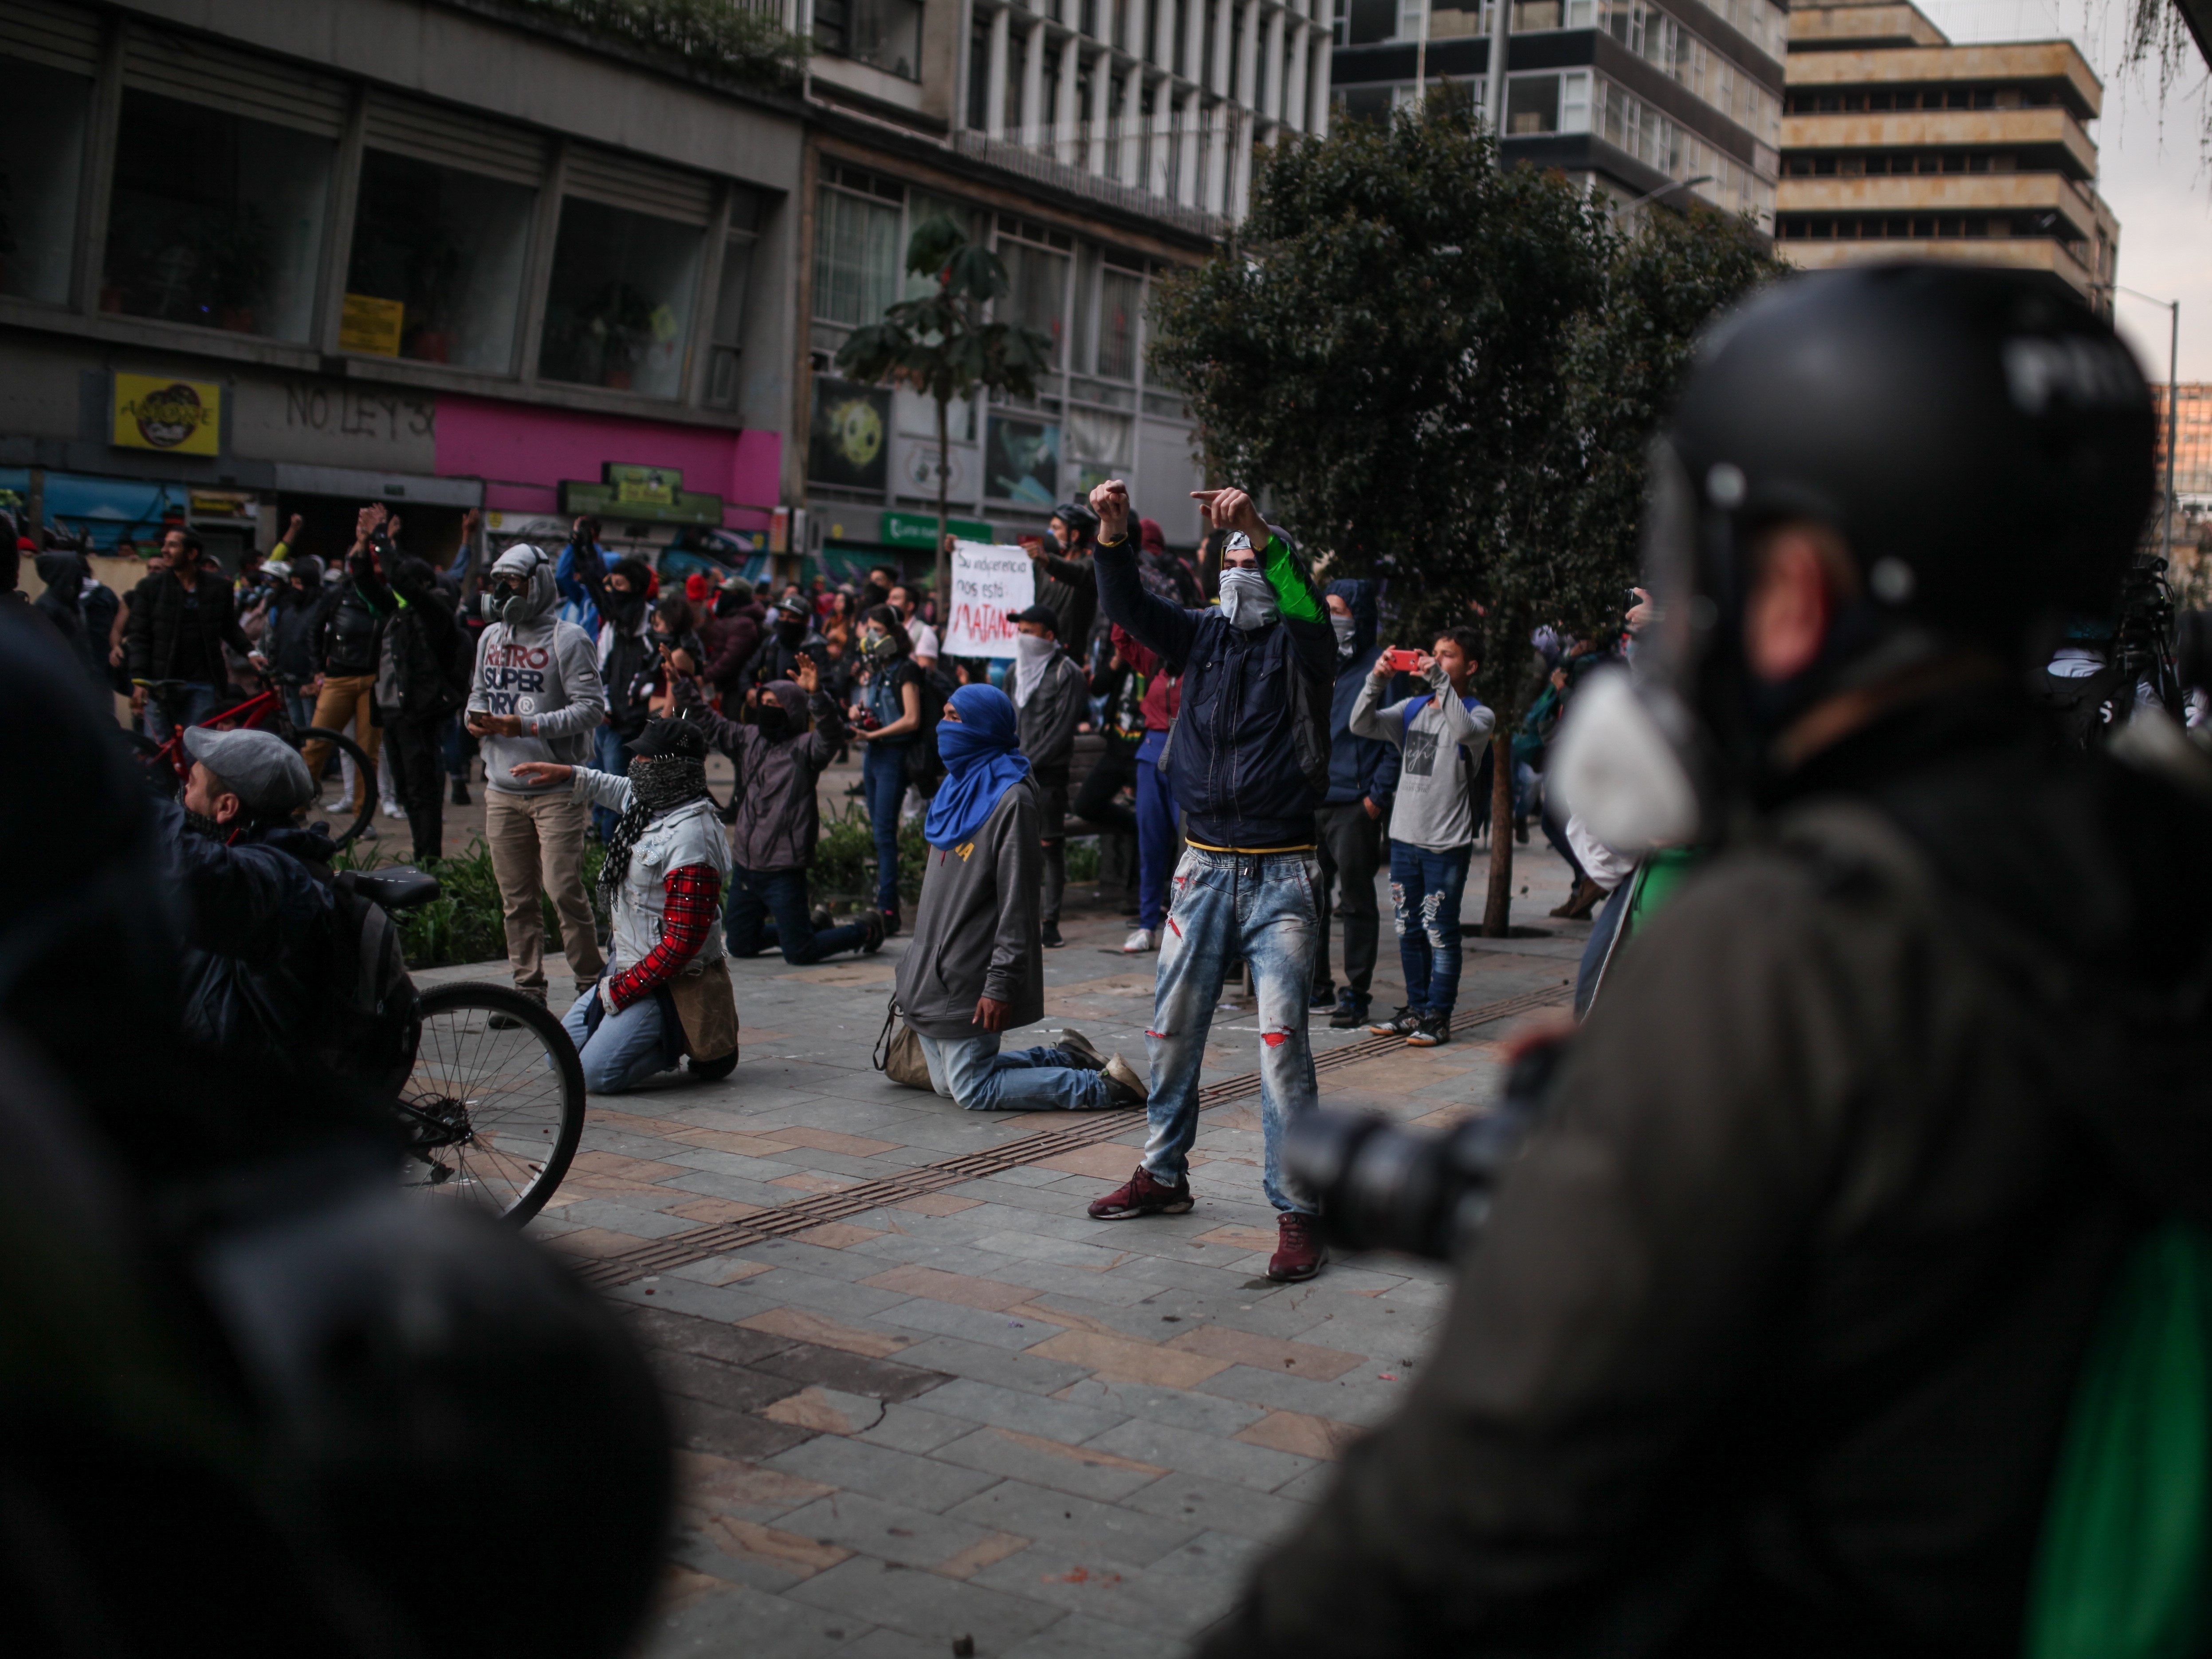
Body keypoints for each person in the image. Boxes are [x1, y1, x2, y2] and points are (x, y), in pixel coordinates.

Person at [1200, 265, 2212, 1656]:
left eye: (1700, 560)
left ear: (1794, 589)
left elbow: (1472, 1496)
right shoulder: (2155, 860)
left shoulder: (1791, 942)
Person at [1088, 480, 1336, 1282]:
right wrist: (1112, 533)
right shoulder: (1200, 636)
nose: (1237, 568)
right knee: (1170, 1030)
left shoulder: (1303, 642)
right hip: (1201, 869)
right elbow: (1126, 606)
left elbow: (1296, 588)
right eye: (1226, 556)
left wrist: (1262, 528)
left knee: (1279, 1049)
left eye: (1250, 558)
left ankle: (1299, 1211)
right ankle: (1163, 1174)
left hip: (1282, 875)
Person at [892, 684, 1147, 1111]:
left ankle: (1103, 1087)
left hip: (972, 968)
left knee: (972, 1091)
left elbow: (1019, 904)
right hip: (934, 970)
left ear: (984, 726)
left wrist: (1001, 984)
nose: (943, 727)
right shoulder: (955, 791)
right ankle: (1059, 1058)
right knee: (946, 1085)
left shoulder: (1012, 799)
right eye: (945, 715)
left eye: (955, 718)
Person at [510, 720, 740, 1093]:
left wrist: (620, 991)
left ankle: (683, 1038)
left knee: (591, 1076)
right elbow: (616, 787)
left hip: (668, 983)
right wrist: (567, 773)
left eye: (647, 756)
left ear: (673, 766)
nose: (637, 761)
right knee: (558, 1056)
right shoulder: (652, 800)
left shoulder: (692, 836)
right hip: (627, 964)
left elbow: (682, 943)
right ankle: (641, 1031)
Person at [672, 653, 886, 963]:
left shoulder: (806, 748)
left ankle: (864, 930)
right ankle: (810, 927)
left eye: (776, 705)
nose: (768, 711)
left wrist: (816, 695)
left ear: (793, 710)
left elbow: (832, 735)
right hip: (747, 863)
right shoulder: (749, 738)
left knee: (799, 954)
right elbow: (708, 720)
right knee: (740, 945)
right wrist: (680, 685)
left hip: (784, 867)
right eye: (764, 703)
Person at [468, 543, 608, 1012]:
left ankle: (591, 983)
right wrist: (475, 719)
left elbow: (592, 709)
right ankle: (527, 990)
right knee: (516, 898)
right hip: (502, 788)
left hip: (557, 789)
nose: (505, 590)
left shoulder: (568, 639)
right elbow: (479, 693)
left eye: (516, 581)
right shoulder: (489, 637)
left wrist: (525, 726)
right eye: (499, 581)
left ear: (540, 583)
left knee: (564, 889)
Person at [1349, 625, 1495, 1048]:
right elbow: (1361, 724)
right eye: (1433, 654)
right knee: (1408, 928)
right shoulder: (1412, 709)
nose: (1436, 660)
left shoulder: (1478, 714)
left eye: (1447, 656)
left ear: (1470, 667)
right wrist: (1376, 679)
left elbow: (1466, 732)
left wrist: (1440, 682)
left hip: (1446, 844)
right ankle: (1416, 1010)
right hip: (1404, 839)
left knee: (1440, 931)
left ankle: (1438, 1015)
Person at [162, 727, 341, 1066]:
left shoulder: (268, 878)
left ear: (226, 807)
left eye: (193, 784)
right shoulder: (275, 855)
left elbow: (193, 869)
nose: (184, 792)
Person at [1308, 580, 1399, 1028]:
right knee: (1311, 898)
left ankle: (1356, 992)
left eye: (1340, 609)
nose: (1332, 616)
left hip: (1354, 804)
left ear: (1358, 614)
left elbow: (1395, 737)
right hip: (1313, 798)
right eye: (1326, 607)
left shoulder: (1379, 665)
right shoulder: (1317, 654)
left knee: (1357, 902)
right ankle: (1316, 984)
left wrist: (1376, 798)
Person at [297, 508, 401, 828]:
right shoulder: (337, 595)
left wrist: (385, 539)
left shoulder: (387, 597)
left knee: (366, 754)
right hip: (339, 677)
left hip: (373, 682)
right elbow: (314, 633)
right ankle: (293, 807)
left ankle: (363, 816)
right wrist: (317, 672)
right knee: (316, 746)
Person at [372, 526, 468, 862]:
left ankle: (429, 861)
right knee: (406, 792)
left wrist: (383, 541)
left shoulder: (434, 613)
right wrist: (363, 545)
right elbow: (367, 585)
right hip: (391, 712)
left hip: (418, 714)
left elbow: (402, 582)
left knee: (423, 791)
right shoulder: (398, 617)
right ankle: (419, 854)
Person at [126, 526, 265, 737]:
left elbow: (228, 627)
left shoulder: (219, 588)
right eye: (165, 545)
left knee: (196, 749)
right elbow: (139, 636)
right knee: (159, 748)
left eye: (172, 545)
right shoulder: (150, 588)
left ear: (192, 554)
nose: (164, 550)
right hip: (160, 683)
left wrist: (251, 653)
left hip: (202, 683)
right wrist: (139, 680)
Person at [1008, 602, 1087, 948]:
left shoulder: (1067, 673)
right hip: (1015, 775)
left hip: (1048, 776)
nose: (1022, 638)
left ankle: (1049, 921)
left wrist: (1028, 763)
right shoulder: (1014, 673)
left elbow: (1062, 730)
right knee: (1015, 849)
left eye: (1029, 632)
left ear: (1049, 636)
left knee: (1049, 847)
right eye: (1019, 631)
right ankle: (1017, 917)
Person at [848, 605, 926, 934]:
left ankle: (888, 908)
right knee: (879, 834)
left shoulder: (906, 669)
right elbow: (877, 711)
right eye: (868, 628)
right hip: (873, 753)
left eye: (877, 629)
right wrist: (859, 714)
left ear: (892, 634)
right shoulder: (878, 669)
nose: (871, 636)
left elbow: (911, 719)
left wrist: (873, 734)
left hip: (893, 755)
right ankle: (885, 902)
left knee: (884, 834)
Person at [1110, 622, 1183, 954]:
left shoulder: (1206, 660)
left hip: (1189, 757)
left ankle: (1186, 925)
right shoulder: (1155, 659)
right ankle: (1146, 924)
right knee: (1150, 842)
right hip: (1152, 753)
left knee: (1189, 849)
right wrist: (1132, 575)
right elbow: (1120, 635)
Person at [593, 558, 658, 842]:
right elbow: (600, 668)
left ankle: (617, 847)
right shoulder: (612, 627)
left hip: (639, 724)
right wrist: (603, 706)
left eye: (620, 585)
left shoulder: (654, 626)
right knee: (604, 785)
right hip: (609, 720)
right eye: (612, 585)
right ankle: (602, 840)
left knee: (627, 789)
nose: (614, 592)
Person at [1023, 500, 1101, 652]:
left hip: (1068, 653)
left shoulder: (1091, 565)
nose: (1049, 533)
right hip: (1038, 647)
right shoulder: (1043, 564)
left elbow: (1076, 572)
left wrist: (1048, 561)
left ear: (1074, 534)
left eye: (1056, 528)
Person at [737, 592, 828, 692]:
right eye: (782, 616)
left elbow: (826, 685)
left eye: (792, 617)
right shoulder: (772, 642)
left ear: (806, 621)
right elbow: (748, 670)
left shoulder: (816, 648)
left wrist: (814, 692)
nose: (785, 621)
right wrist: (749, 690)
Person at [887, 582, 940, 667]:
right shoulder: (889, 629)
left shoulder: (924, 632)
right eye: (889, 598)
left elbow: (925, 672)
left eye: (895, 598)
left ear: (910, 606)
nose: (889, 602)